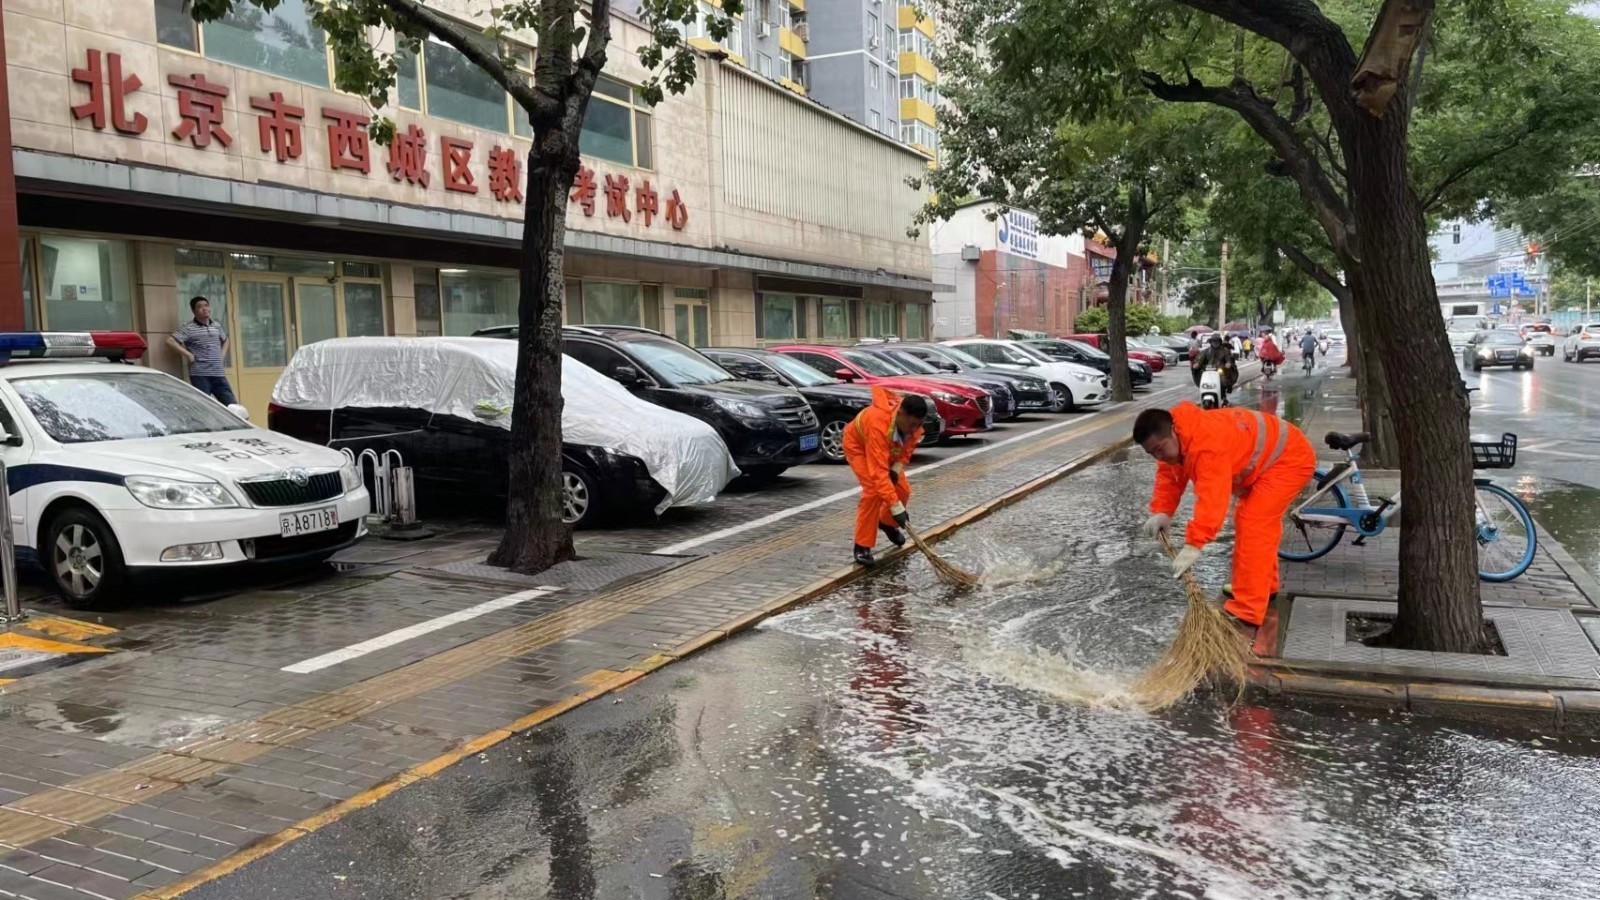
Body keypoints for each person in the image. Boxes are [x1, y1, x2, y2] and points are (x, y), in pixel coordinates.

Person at [1134, 404, 1316, 632]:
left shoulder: (1206, 446)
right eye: (1152, 453)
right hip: (1268, 463)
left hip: (1288, 459)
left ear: (1172, 431)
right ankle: (1261, 589)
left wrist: (1194, 544)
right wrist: (1163, 511)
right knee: (1250, 522)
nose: (1158, 457)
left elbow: (1213, 502)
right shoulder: (1178, 438)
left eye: (1160, 450)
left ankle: (1248, 610)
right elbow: (1169, 476)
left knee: (1254, 525)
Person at [842, 387, 928, 568]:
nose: (914, 430)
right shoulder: (877, 424)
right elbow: (878, 473)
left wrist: (896, 470)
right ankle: (862, 545)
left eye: (918, 425)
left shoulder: (914, 428)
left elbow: (906, 451)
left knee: (903, 490)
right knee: (873, 491)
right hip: (858, 447)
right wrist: (897, 509)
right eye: (912, 425)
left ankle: (886, 523)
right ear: (901, 414)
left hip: (887, 451)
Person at [168, 296, 235, 405]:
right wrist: (188, 355)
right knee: (204, 406)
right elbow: (170, 341)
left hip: (218, 374)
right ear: (194, 311)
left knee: (232, 406)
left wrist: (221, 356)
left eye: (206, 306)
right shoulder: (188, 328)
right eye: (200, 307)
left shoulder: (216, 326)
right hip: (200, 375)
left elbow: (226, 340)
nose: (204, 309)